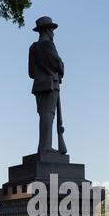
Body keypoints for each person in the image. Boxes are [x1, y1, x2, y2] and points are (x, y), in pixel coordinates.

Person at [28, 16, 66, 154]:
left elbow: (31, 72)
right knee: (48, 115)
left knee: (44, 115)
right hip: (51, 83)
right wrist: (61, 64)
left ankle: (43, 146)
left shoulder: (33, 47)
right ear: (48, 30)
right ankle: (46, 147)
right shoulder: (48, 45)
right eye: (52, 30)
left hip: (39, 85)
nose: (53, 33)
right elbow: (58, 64)